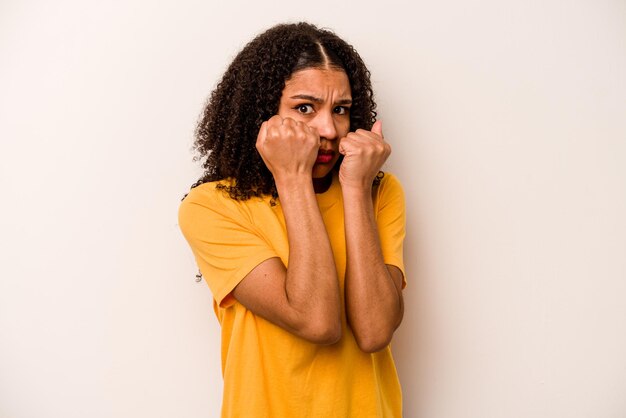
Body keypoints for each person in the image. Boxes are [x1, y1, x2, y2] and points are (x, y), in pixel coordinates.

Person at [179, 22, 406, 418]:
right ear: (262, 115)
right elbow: (316, 322)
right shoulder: (211, 207)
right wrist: (292, 176)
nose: (329, 130)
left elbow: (374, 332)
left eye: (341, 110)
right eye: (304, 108)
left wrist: (355, 189)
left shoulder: (379, 191)